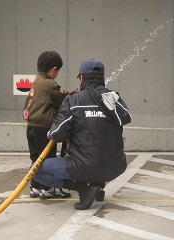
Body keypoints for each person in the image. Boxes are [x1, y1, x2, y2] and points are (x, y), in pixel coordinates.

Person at [32, 59, 131, 210]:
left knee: (35, 170)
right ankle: (97, 185)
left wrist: (50, 132)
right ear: (102, 78)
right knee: (97, 156)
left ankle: (82, 189)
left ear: (82, 78)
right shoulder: (112, 97)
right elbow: (126, 117)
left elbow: (57, 134)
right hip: (116, 166)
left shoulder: (74, 100)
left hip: (84, 167)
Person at [23, 51, 70, 199]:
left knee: (35, 159)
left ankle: (35, 187)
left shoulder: (36, 81)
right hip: (43, 129)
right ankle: (48, 189)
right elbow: (63, 101)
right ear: (54, 69)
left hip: (31, 127)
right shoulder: (50, 84)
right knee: (47, 160)